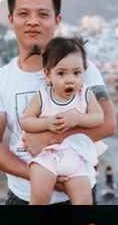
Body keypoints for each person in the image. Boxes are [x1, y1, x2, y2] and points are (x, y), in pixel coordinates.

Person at [0, 0, 117, 204]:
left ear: (57, 20)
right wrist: (40, 175)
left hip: (80, 191)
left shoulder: (80, 69)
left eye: (43, 14)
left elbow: (109, 123)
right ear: (11, 19)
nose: (33, 21)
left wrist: (51, 138)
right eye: (23, 13)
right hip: (23, 196)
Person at [20, 36, 108, 205]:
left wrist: (77, 119)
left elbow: (98, 117)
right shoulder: (43, 96)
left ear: (84, 71)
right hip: (47, 157)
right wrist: (46, 123)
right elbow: (26, 121)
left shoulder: (86, 94)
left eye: (76, 73)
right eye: (61, 73)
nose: (70, 79)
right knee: (39, 198)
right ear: (48, 74)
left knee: (84, 201)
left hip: (76, 158)